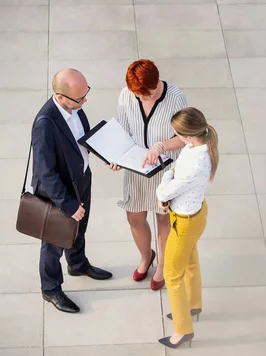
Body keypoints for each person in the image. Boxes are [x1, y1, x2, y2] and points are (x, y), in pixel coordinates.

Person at [32, 69, 112, 313]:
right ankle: (51, 289)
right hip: (60, 193)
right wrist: (68, 204)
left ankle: (77, 264)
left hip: (81, 179)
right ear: (60, 96)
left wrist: (108, 156)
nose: (84, 101)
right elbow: (46, 173)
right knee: (53, 243)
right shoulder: (45, 124)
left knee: (80, 228)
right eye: (79, 98)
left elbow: (82, 138)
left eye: (86, 94)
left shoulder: (74, 106)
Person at [111, 59, 188, 290]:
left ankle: (163, 264)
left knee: (163, 218)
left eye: (149, 93)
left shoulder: (175, 97)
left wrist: (160, 146)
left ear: (157, 82)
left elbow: (186, 135)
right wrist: (116, 157)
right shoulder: (127, 94)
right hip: (137, 166)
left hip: (165, 168)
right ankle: (147, 257)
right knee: (134, 217)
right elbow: (123, 130)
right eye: (139, 95)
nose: (143, 98)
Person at [155, 107, 219, 349]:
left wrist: (164, 182)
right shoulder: (194, 146)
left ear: (189, 136)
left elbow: (165, 190)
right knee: (190, 260)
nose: (176, 137)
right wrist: (170, 175)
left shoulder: (197, 161)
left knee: (172, 274)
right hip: (192, 215)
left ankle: (182, 330)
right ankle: (193, 304)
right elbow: (174, 169)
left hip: (185, 221)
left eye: (178, 134)